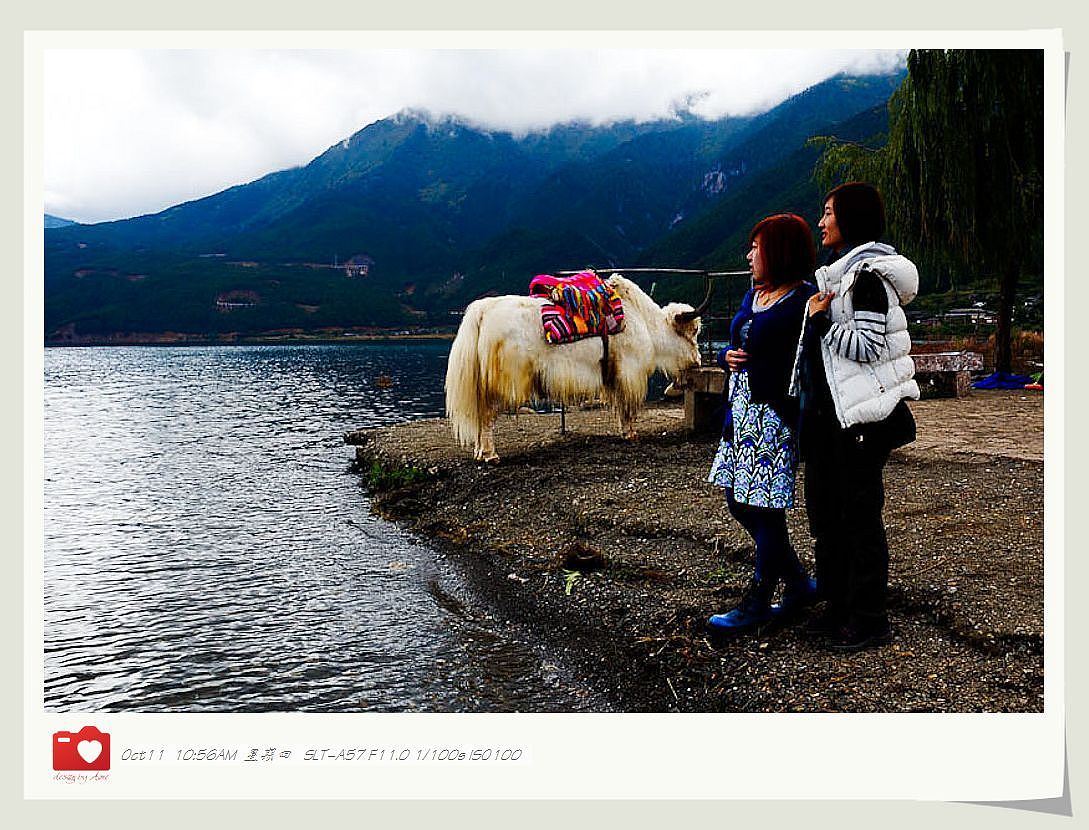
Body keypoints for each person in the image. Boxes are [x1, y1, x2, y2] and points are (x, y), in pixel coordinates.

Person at [792, 182, 919, 651]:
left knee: (858, 517)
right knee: (825, 515)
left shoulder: (867, 279)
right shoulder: (838, 279)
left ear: (851, 219)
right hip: (831, 418)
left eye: (828, 213)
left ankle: (869, 617)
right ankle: (837, 605)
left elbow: (869, 347)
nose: (821, 221)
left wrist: (823, 322)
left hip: (862, 420)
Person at [707, 214, 819, 632]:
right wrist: (724, 357)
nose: (750, 254)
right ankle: (797, 582)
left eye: (757, 247)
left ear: (780, 251)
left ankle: (759, 598)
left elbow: (807, 354)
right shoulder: (756, 295)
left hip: (773, 416)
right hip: (741, 413)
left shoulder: (804, 300)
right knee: (738, 500)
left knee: (766, 510)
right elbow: (739, 340)